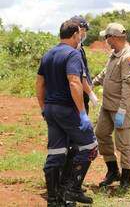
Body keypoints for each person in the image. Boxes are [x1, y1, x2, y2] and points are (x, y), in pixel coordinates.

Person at [35, 20, 98, 206]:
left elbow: (39, 84)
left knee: (57, 152)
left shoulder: (48, 54)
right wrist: (82, 113)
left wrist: (43, 108)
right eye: (80, 33)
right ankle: (72, 190)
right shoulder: (73, 54)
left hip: (51, 109)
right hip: (66, 109)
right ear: (75, 35)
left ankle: (54, 199)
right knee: (89, 146)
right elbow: (74, 81)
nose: (81, 36)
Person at [92, 23, 130, 190]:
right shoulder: (114, 54)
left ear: (114, 37)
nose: (106, 40)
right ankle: (113, 171)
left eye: (107, 37)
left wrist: (123, 110)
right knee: (101, 134)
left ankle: (126, 180)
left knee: (123, 144)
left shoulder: (128, 57)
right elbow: (106, 73)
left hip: (120, 108)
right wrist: (92, 84)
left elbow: (129, 86)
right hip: (107, 106)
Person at [59, 16, 99, 201]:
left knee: (72, 144)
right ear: (78, 29)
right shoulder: (73, 49)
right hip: (76, 103)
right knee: (79, 145)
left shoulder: (77, 48)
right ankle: (69, 185)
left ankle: (65, 183)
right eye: (83, 30)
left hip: (73, 103)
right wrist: (90, 94)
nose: (84, 34)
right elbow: (78, 78)